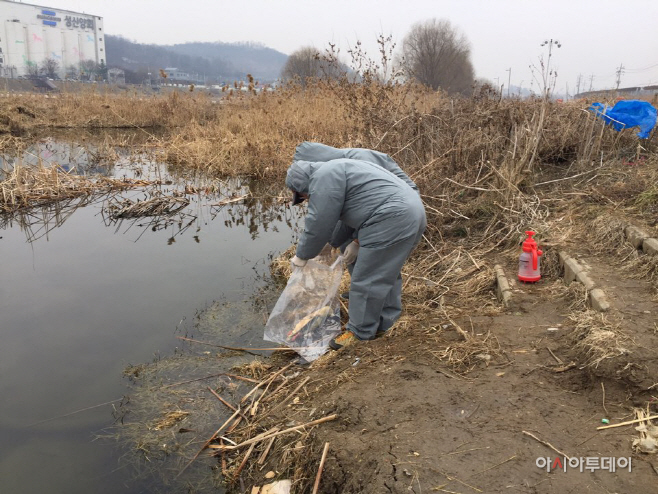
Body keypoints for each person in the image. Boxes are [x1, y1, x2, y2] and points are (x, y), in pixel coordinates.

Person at [285, 144, 426, 349]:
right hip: (410, 213)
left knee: (366, 279)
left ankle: (359, 333)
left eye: (302, 196)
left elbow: (319, 221)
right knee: (384, 272)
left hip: (391, 218)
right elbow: (348, 215)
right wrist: (335, 243)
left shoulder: (324, 177)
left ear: (302, 184)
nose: (305, 199)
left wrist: (302, 255)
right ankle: (387, 321)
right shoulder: (339, 168)